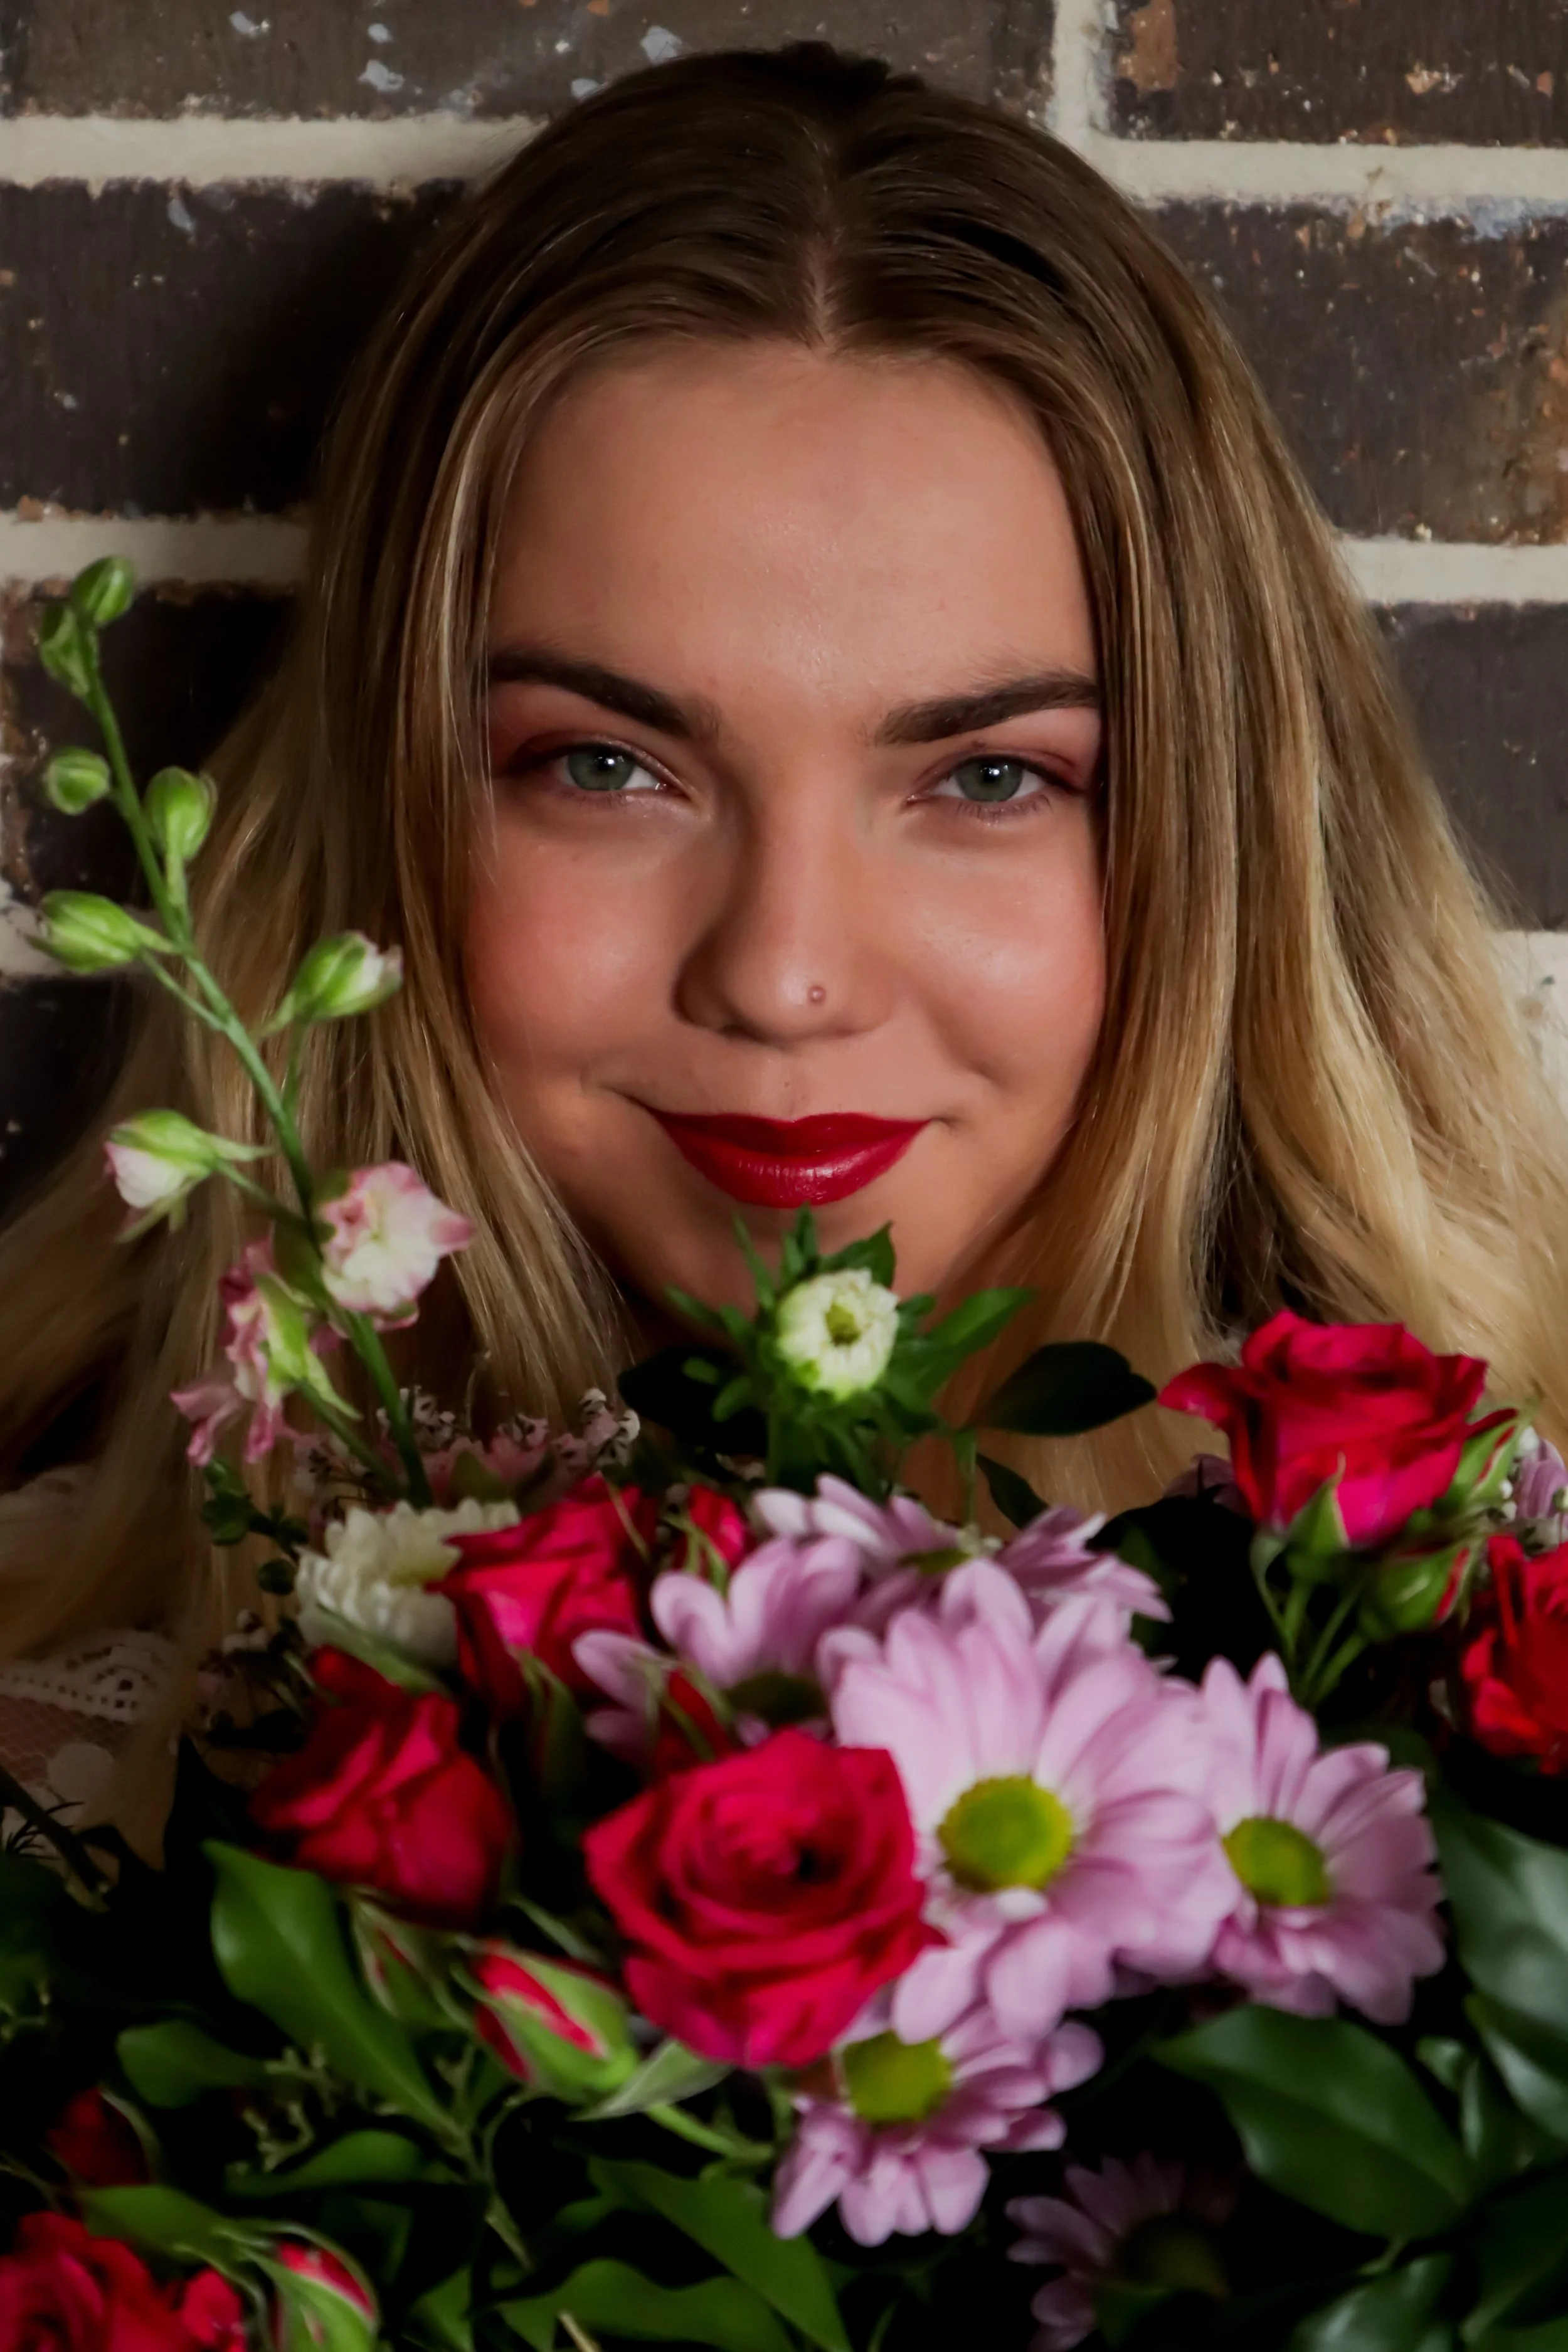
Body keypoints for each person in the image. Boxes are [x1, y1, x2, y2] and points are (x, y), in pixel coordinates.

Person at [2, 43, 1565, 1833]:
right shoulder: (60, 1804)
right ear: (388, 816)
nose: (783, 974)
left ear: (1224, 850)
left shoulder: (1498, 1709)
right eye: (605, 767)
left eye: (988, 777)